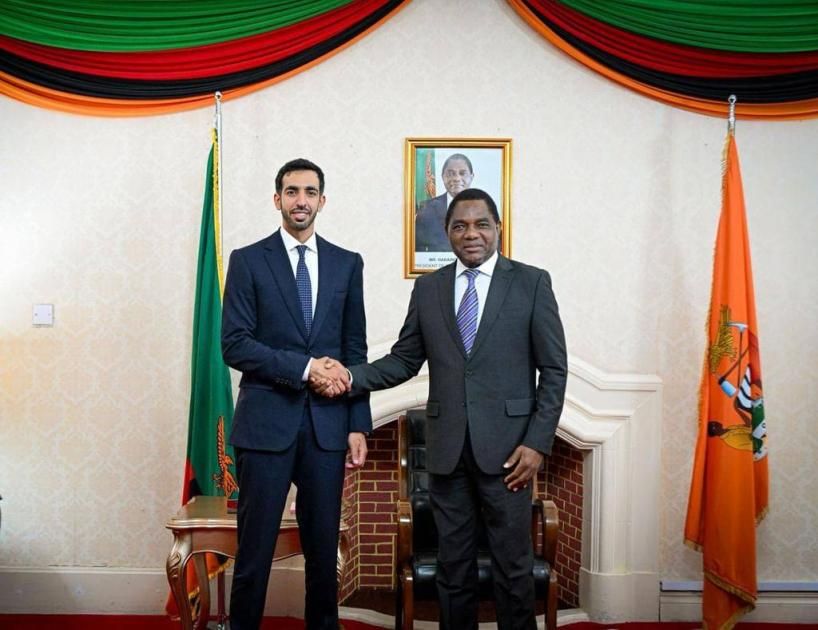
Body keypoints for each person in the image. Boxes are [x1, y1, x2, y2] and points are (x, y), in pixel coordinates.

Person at [316, 188, 567, 630]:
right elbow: (404, 360)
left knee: (513, 568)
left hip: (510, 455)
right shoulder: (429, 288)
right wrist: (350, 376)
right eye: (460, 226)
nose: (471, 234)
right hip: (447, 452)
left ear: (498, 228)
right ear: (447, 233)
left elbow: (554, 370)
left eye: (481, 224)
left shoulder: (531, 283)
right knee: (453, 569)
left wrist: (537, 443)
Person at [221, 158, 370, 630]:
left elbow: (354, 349)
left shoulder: (347, 263)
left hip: (328, 427)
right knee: (254, 550)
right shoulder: (247, 261)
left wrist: (358, 424)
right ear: (277, 199)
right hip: (265, 426)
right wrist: (306, 369)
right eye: (291, 191)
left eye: (309, 192)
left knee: (323, 551)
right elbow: (235, 344)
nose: (300, 200)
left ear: (322, 200)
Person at [415, 153, 474, 252]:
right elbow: (417, 250)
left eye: (462, 173)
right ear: (443, 177)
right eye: (450, 174)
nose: (456, 178)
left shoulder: (485, 209)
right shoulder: (426, 209)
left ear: (471, 177)